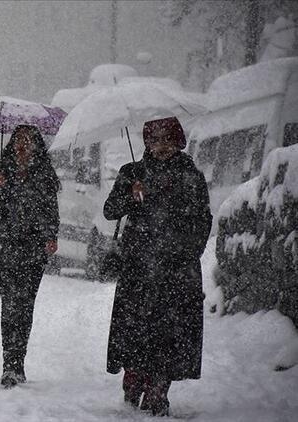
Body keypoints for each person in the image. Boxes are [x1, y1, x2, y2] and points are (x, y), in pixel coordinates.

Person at [103, 117, 212, 416]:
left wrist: (187, 252)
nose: (161, 146)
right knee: (135, 330)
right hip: (138, 268)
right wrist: (129, 194)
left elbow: (202, 221)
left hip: (176, 270)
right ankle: (134, 378)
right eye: (155, 140)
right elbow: (109, 210)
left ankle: (158, 390)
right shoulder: (132, 172)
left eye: (167, 140)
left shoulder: (191, 176)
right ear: (147, 143)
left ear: (178, 141)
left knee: (169, 334)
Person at [0, 125, 61, 388]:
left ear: (37, 145)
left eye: (29, 141)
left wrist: (50, 236)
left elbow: (51, 211)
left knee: (25, 306)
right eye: (19, 140)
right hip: (4, 248)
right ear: (12, 144)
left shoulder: (44, 175)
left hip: (33, 251)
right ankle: (9, 365)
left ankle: (18, 362)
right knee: (10, 303)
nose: (23, 146)